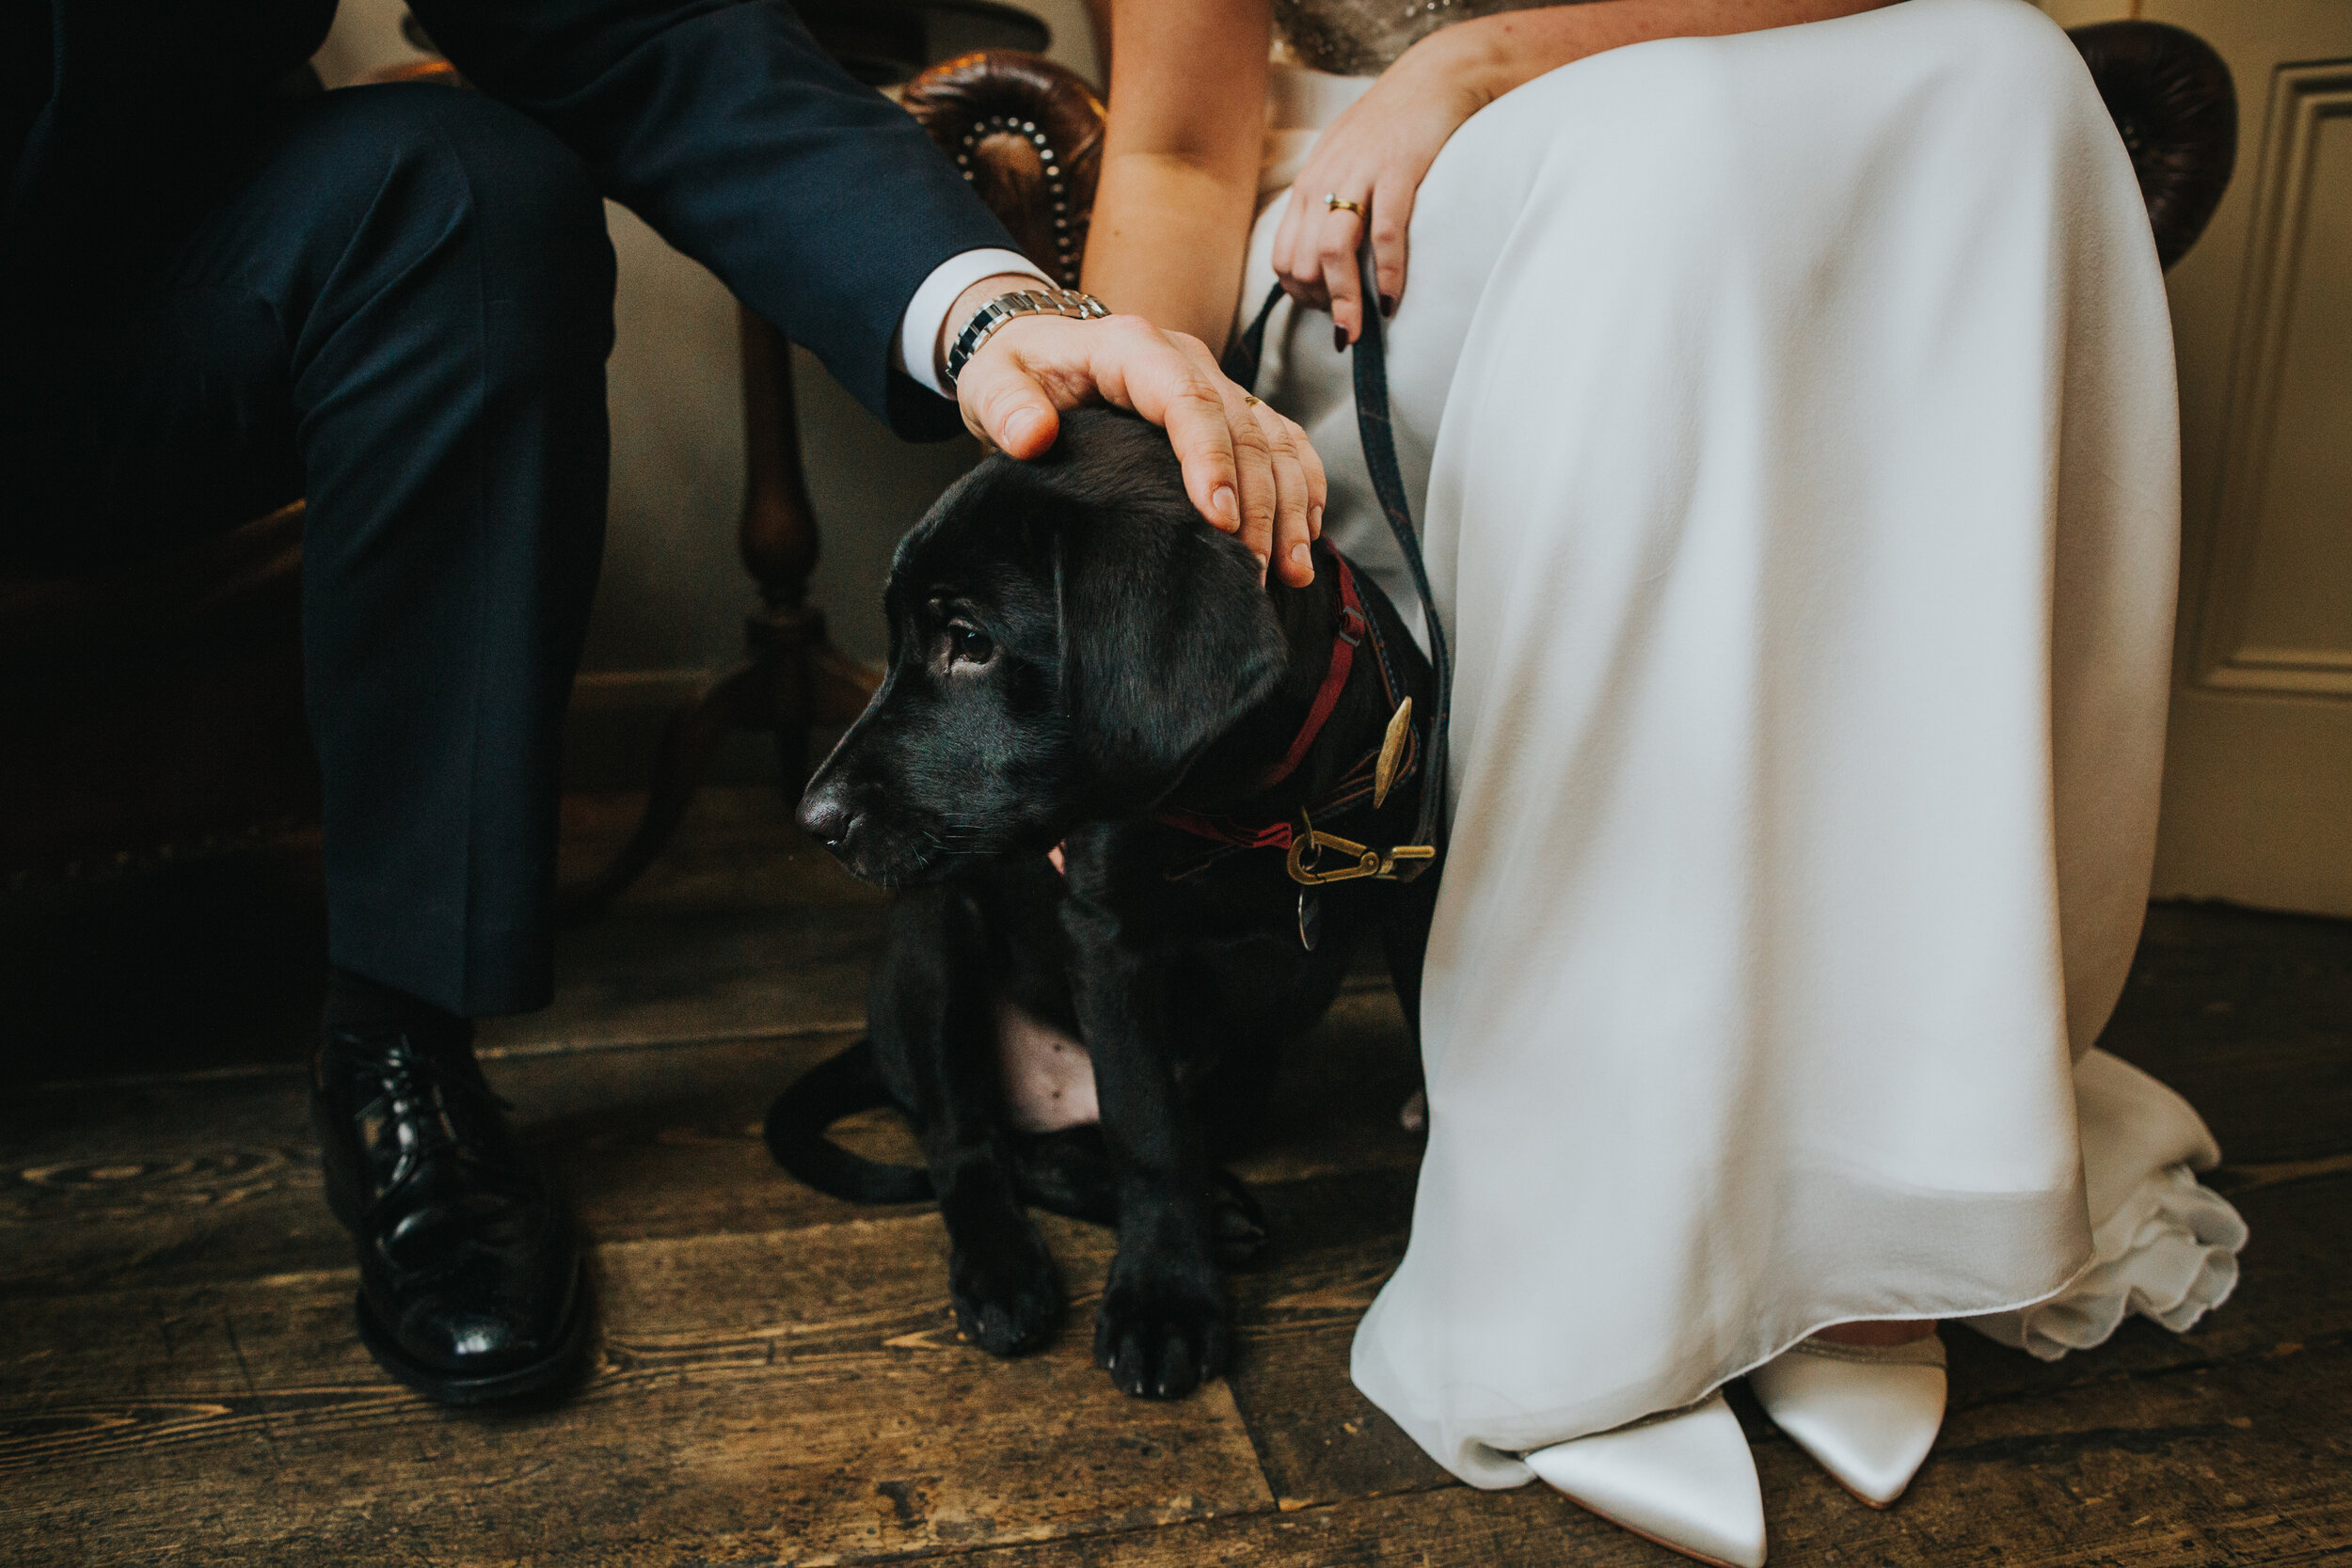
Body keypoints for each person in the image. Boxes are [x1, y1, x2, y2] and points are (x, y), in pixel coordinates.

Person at [0, 0, 1323, 1407]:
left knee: (464, 188)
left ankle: (401, 1043)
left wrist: (995, 313)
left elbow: (640, 29)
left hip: (146, 294)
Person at [1083, 0, 2248, 1560]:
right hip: (1383, 230)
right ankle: (1599, 1224)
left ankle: (1893, 1181)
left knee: (2008, 69)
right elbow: (1170, 151)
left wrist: (1483, 58)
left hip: (1697, 131)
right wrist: (1123, 487)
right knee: (1669, 154)